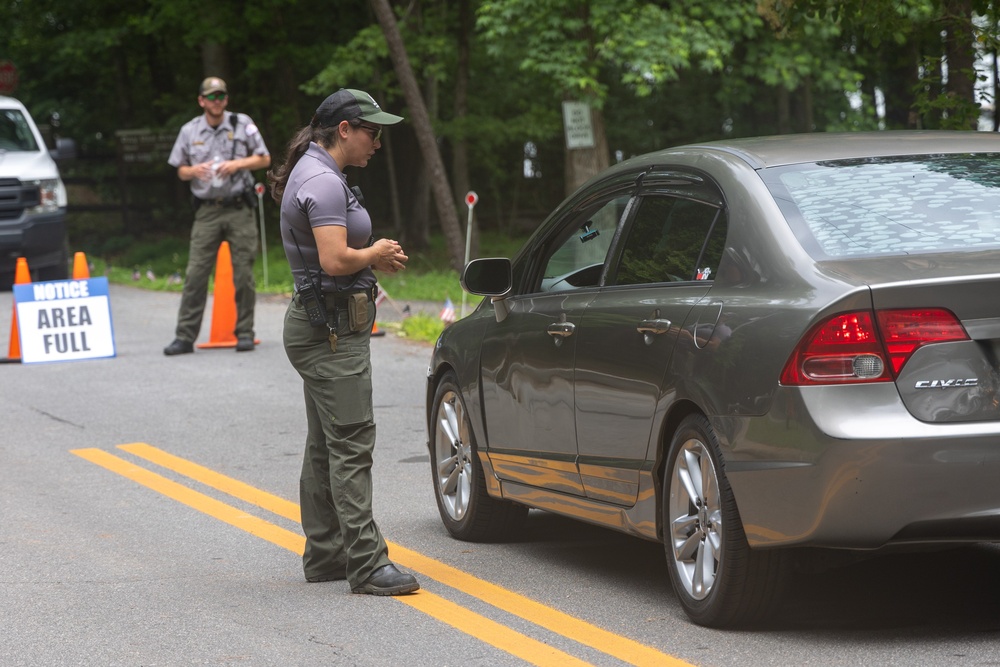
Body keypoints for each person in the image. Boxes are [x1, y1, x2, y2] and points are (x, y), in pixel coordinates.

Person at [266, 88, 418, 596]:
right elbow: (333, 260)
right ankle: (367, 563)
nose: (379, 142)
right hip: (329, 331)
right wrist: (373, 251)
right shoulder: (323, 182)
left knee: (325, 444)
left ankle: (326, 553)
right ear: (346, 130)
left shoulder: (318, 172)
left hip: (324, 327)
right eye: (373, 132)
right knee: (352, 441)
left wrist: (372, 257)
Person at [163, 77, 271, 355]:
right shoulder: (190, 130)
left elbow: (264, 158)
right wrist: (193, 171)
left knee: (244, 275)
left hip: (238, 208)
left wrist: (237, 164)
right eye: (211, 97)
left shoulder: (241, 123)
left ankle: (244, 333)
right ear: (201, 101)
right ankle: (184, 337)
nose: (216, 101)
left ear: (226, 99)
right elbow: (180, 169)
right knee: (195, 274)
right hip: (207, 211)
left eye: (221, 96)